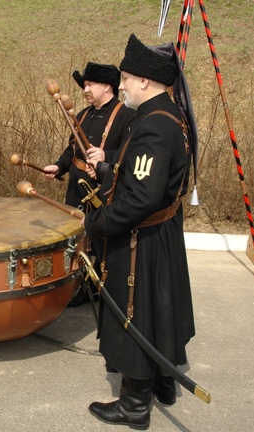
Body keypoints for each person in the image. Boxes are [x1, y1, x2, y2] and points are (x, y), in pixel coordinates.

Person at [82, 34, 196, 429]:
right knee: (159, 309)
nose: (123, 85)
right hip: (161, 231)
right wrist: (109, 167)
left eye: (127, 78)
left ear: (145, 81)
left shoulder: (153, 126)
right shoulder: (167, 114)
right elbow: (145, 174)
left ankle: (133, 405)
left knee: (137, 314)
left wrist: (94, 223)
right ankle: (162, 380)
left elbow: (139, 200)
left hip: (141, 238)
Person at [43, 62, 135, 307]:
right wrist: (59, 166)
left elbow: (131, 154)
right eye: (84, 85)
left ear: (107, 86)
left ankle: (96, 286)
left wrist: (108, 157)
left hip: (103, 188)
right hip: (76, 185)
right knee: (75, 237)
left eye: (90, 84)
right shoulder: (81, 115)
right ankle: (75, 284)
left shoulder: (127, 115)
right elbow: (71, 149)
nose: (86, 89)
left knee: (98, 241)